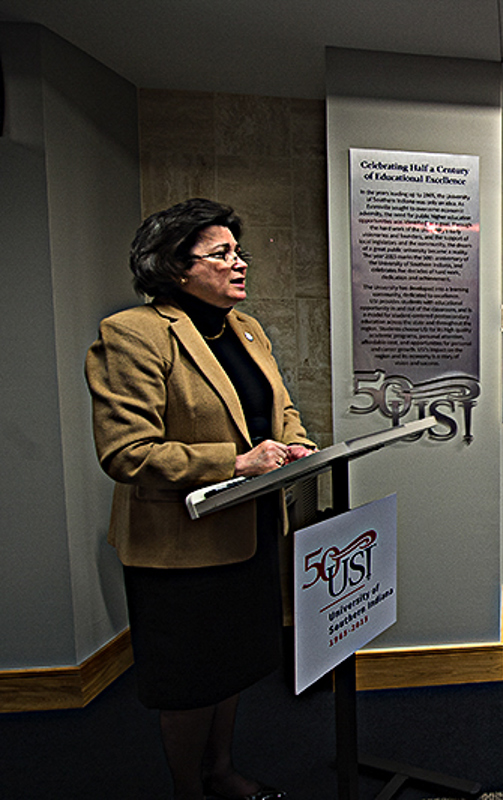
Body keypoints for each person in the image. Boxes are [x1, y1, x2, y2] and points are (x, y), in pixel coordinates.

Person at [86, 198, 316, 800]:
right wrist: (234, 462)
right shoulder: (131, 334)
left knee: (232, 667)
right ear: (174, 266)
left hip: (250, 529)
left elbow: (277, 408)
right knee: (190, 682)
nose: (240, 264)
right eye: (222, 254)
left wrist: (295, 444)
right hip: (179, 548)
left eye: (238, 252)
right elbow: (126, 452)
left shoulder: (246, 327)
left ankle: (219, 770)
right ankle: (187, 789)